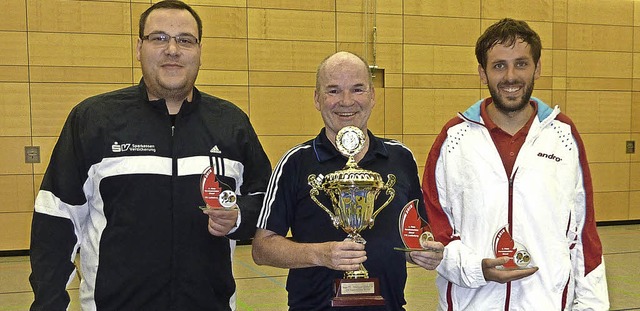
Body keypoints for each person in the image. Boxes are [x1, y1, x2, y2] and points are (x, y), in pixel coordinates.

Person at [28, 1, 271, 310]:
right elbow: (56, 218)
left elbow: (264, 198)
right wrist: (48, 304)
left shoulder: (231, 123)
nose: (172, 49)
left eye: (185, 39)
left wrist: (239, 217)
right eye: (158, 38)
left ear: (199, 50)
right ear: (138, 47)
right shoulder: (94, 119)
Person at [422, 18, 610, 310]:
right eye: (499, 66)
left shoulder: (563, 135)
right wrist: (477, 269)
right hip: (472, 303)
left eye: (521, 64)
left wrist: (591, 306)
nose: (511, 76)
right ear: (482, 73)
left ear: (538, 68)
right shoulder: (454, 139)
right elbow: (437, 227)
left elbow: (584, 234)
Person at [252, 51, 444, 311]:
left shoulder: (401, 158)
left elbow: (415, 232)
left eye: (357, 89)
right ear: (317, 99)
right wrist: (322, 254)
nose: (346, 101)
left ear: (373, 95)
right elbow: (262, 248)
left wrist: (423, 251)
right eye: (333, 90)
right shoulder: (295, 162)